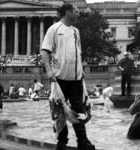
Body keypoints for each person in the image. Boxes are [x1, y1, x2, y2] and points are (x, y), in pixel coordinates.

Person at [40, 3, 95, 150]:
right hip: (60, 78)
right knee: (59, 111)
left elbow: (78, 52)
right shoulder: (54, 29)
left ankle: (82, 141)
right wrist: (49, 70)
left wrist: (81, 69)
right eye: (76, 12)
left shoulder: (76, 31)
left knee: (80, 110)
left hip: (76, 78)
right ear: (68, 12)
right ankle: (61, 142)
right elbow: (45, 51)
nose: (78, 14)